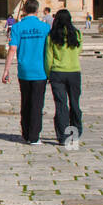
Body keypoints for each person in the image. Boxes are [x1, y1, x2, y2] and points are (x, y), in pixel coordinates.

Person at [1, 0, 51, 145]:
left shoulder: (17, 27)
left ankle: (26, 133)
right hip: (40, 71)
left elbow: (12, 49)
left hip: (24, 70)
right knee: (37, 103)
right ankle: (34, 136)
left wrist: (6, 70)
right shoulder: (45, 27)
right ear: (37, 10)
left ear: (24, 10)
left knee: (25, 102)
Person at [44, 9, 83, 148]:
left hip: (57, 73)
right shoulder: (77, 33)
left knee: (61, 105)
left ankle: (62, 136)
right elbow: (79, 50)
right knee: (75, 103)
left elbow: (49, 57)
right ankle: (76, 133)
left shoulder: (52, 35)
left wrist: (48, 74)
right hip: (74, 72)